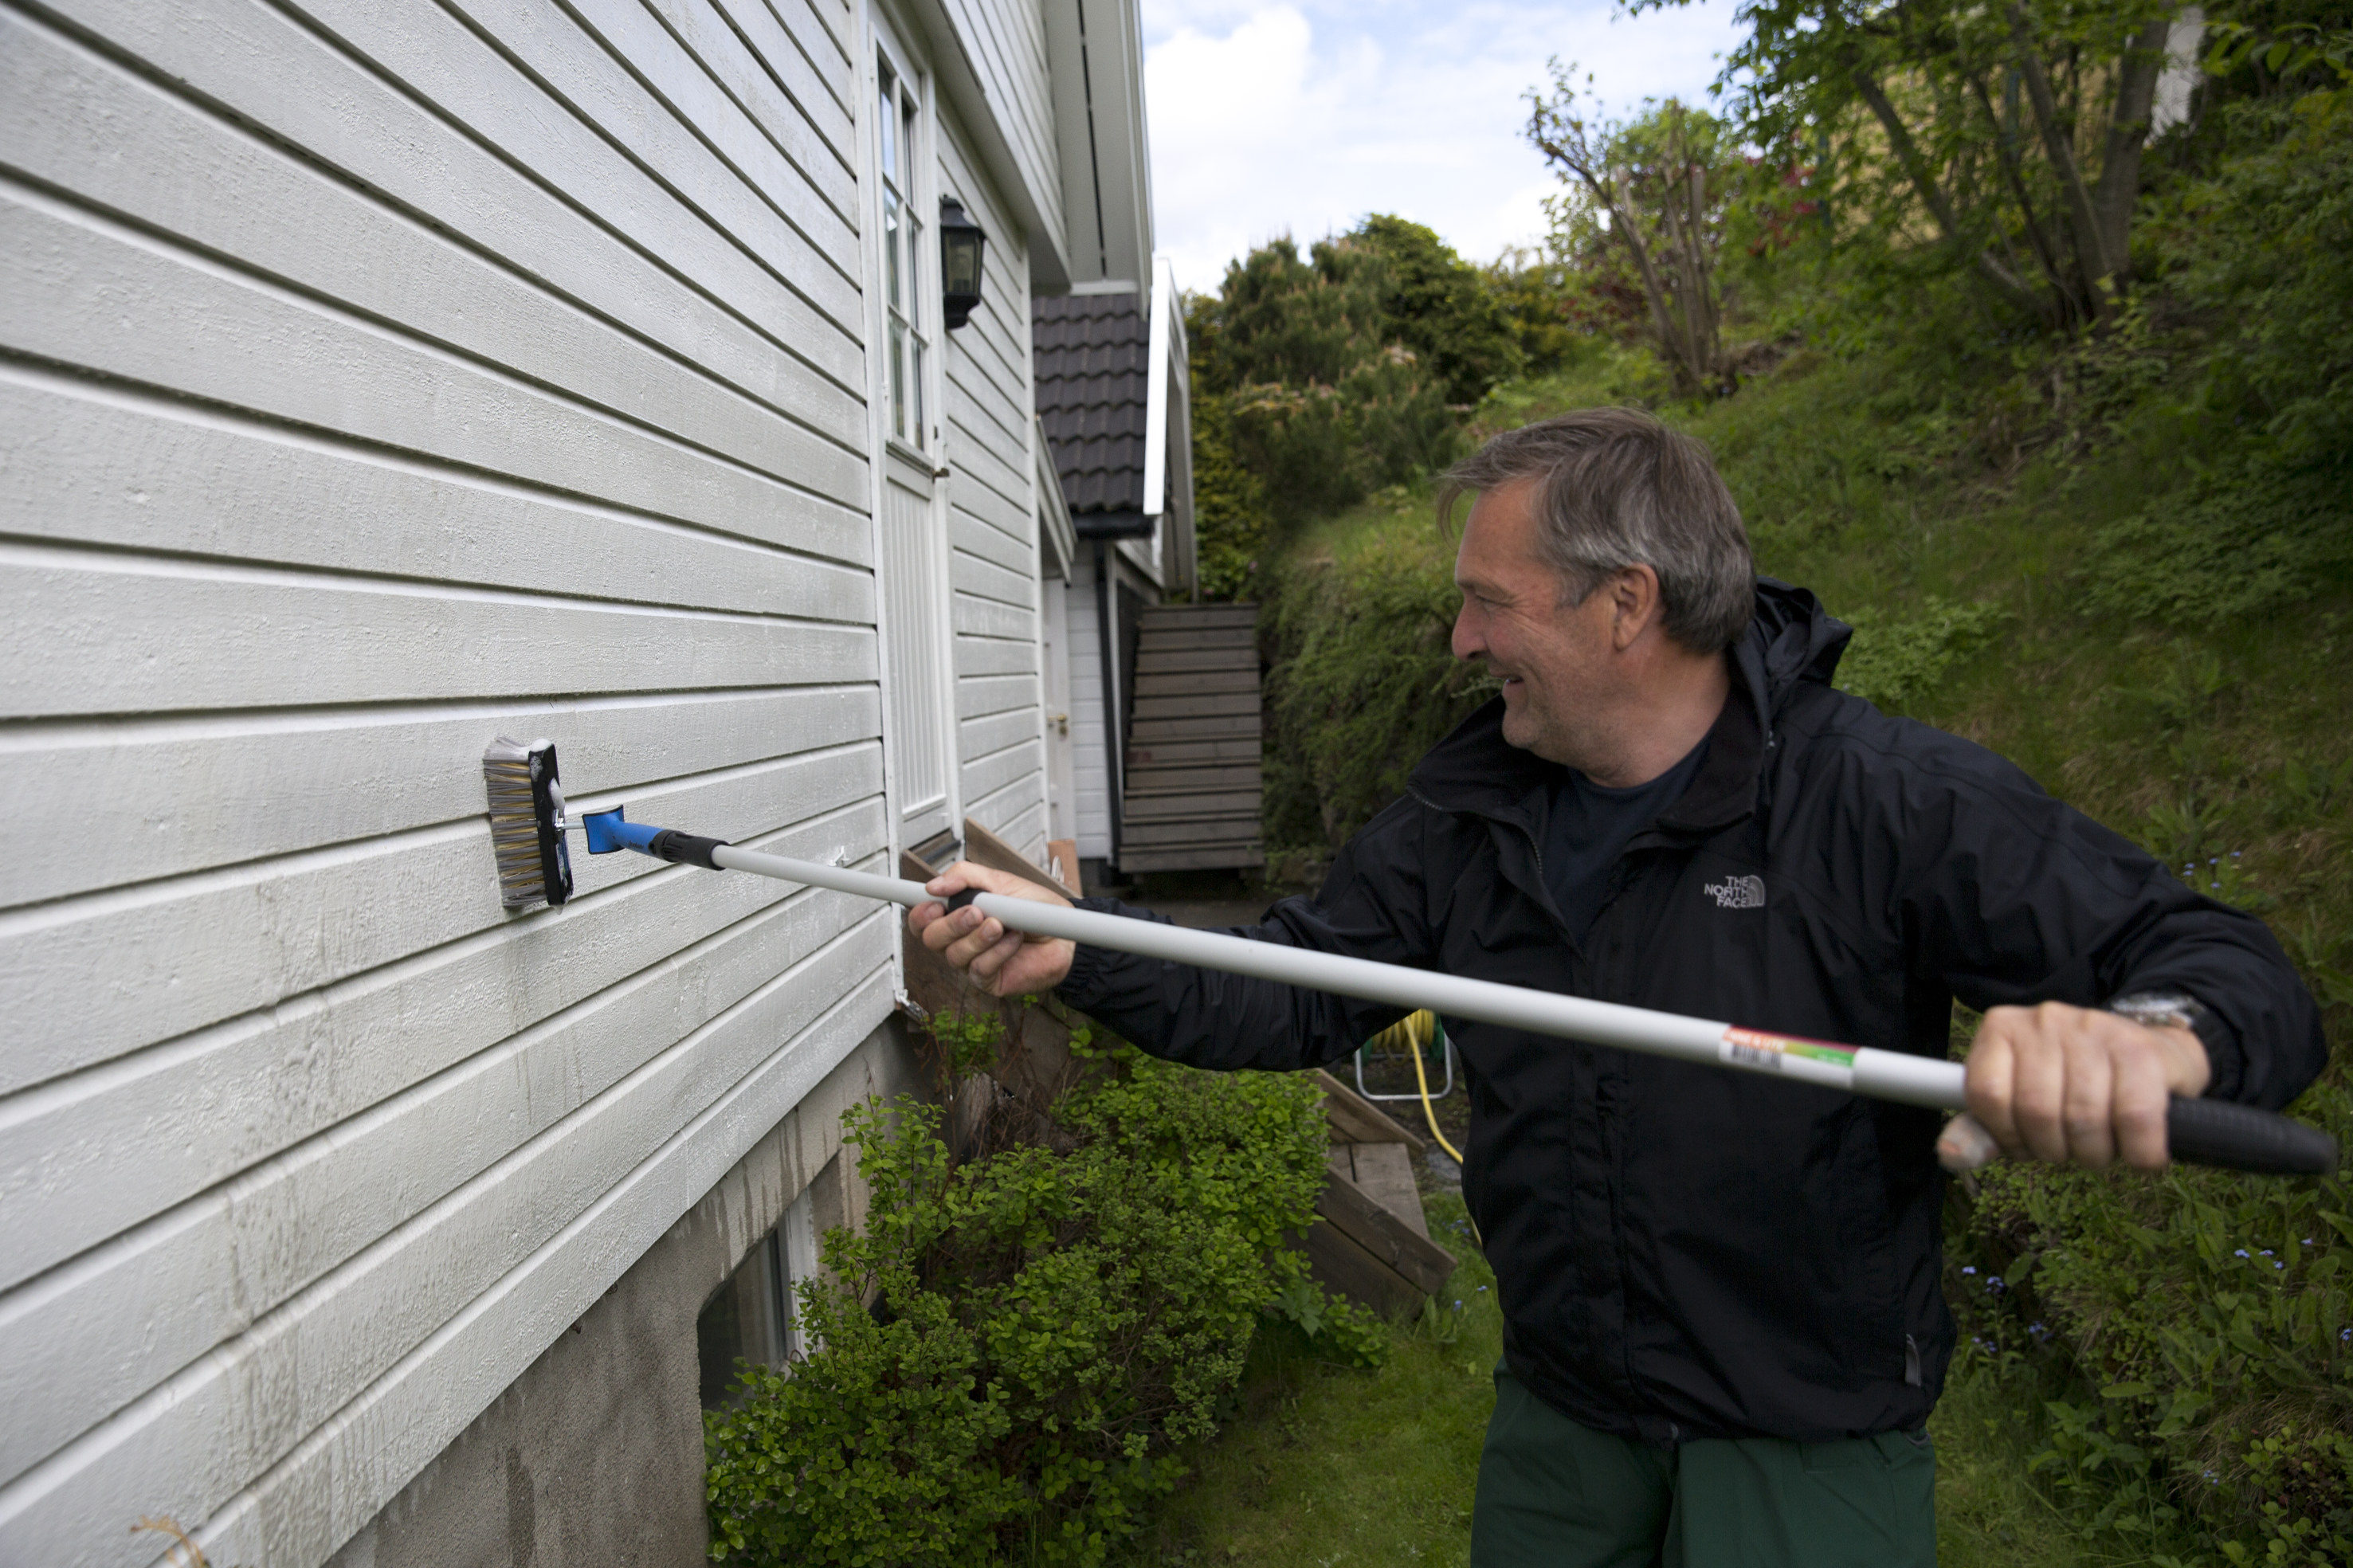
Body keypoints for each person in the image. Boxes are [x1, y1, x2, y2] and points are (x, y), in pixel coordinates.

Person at [908, 408, 2325, 1566]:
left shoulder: (1875, 799)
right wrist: (1086, 952)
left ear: (1624, 606)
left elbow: (2233, 971)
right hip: (1561, 1424)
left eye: (1485, 602)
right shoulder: (1468, 816)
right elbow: (1284, 993)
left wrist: (2152, 1042)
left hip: (1805, 1444)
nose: (1459, 641)